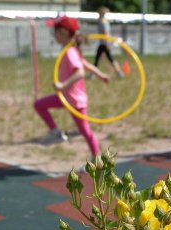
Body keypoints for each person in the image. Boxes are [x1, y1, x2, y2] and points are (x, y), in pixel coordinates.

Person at [34, 16, 109, 157]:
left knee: (85, 131)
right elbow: (86, 65)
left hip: (74, 100)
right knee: (39, 105)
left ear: (63, 33)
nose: (54, 35)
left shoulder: (69, 52)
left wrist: (63, 85)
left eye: (55, 32)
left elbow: (80, 72)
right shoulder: (70, 50)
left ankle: (97, 158)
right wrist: (101, 75)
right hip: (65, 97)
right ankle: (55, 132)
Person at [94, 7, 124, 77]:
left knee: (109, 59)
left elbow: (106, 32)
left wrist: (107, 43)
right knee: (100, 59)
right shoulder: (102, 20)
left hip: (104, 43)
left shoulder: (103, 21)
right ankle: (119, 73)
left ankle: (119, 73)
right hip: (103, 43)